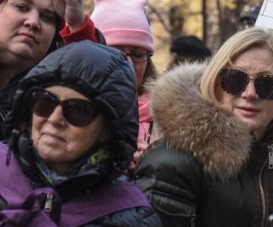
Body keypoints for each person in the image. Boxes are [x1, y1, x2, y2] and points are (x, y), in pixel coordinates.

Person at [135, 27, 273, 227]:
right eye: (235, 79)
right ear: (216, 86)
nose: (250, 93)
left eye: (268, 83)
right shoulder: (173, 164)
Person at [0, 41, 160, 226]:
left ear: (108, 132)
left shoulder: (133, 216)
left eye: (78, 111)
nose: (54, 118)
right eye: (45, 102)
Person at [0, 0, 99, 135]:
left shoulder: (51, 102)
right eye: (22, 7)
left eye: (47, 17)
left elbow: (103, 96)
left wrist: (78, 26)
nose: (33, 22)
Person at [90, 0, 159, 159]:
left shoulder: (170, 117)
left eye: (137, 55)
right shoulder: (71, 110)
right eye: (116, 53)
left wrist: (155, 161)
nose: (127, 64)